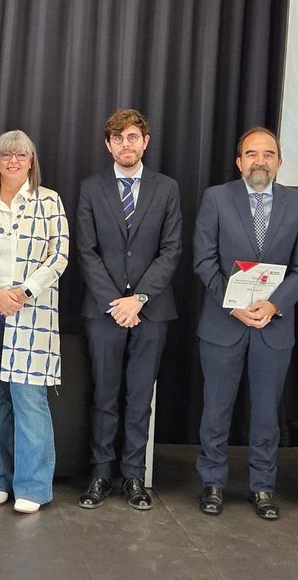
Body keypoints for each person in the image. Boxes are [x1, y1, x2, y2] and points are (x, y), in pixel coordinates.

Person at [192, 127, 298, 520]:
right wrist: (234, 305)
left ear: (278, 161)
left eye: (268, 154)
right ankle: (212, 483)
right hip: (224, 323)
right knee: (216, 408)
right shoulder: (216, 198)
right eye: (252, 154)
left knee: (265, 413)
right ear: (239, 161)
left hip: (272, 325)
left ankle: (262, 487)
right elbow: (204, 261)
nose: (260, 161)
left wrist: (273, 305)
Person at [74, 110, 181, 511]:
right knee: (104, 395)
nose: (126, 144)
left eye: (132, 137)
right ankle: (101, 474)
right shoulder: (90, 188)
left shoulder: (166, 188)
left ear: (145, 141)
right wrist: (116, 303)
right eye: (118, 138)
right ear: (108, 145)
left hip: (151, 312)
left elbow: (171, 250)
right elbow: (85, 251)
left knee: (139, 398)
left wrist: (140, 299)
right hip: (104, 312)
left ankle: (133, 476)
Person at [0, 130, 69, 514]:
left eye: (21, 155)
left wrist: (23, 292)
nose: (13, 161)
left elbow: (59, 256)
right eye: (6, 155)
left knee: (29, 400)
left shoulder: (49, 201)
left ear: (31, 161)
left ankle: (33, 486)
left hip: (32, 311)